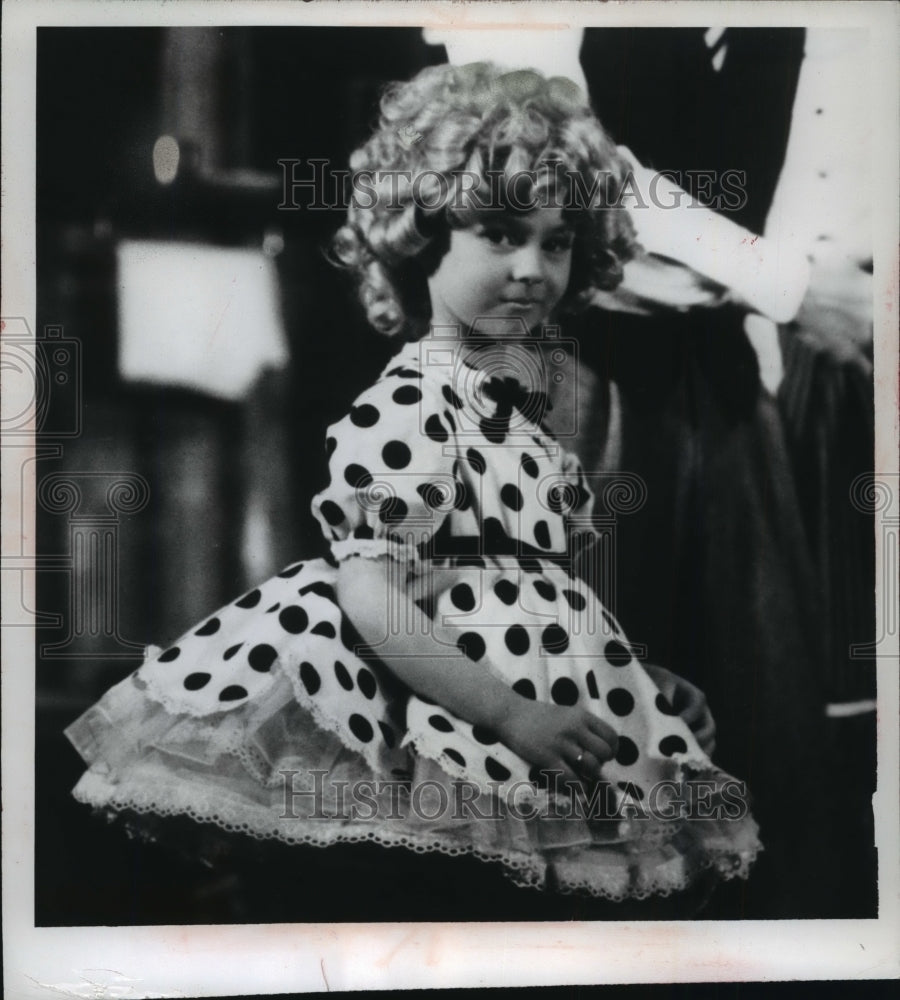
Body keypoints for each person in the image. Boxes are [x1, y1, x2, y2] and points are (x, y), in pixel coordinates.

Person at [64, 62, 760, 910]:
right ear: (423, 238)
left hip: (533, 702)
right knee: (442, 901)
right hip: (459, 708)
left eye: (557, 239)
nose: (534, 267)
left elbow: (547, 603)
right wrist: (509, 714)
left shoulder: (520, 415)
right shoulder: (412, 402)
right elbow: (373, 591)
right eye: (500, 234)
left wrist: (638, 683)